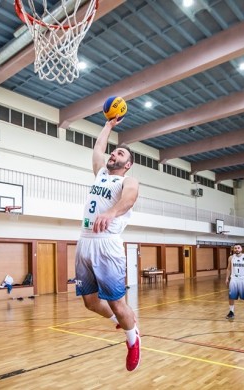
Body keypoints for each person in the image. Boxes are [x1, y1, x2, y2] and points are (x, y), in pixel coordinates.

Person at [74, 116, 141, 371]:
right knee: (90, 302)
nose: (114, 154)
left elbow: (130, 199)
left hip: (107, 244)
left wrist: (111, 213)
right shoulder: (101, 174)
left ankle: (133, 339)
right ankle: (121, 321)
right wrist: (109, 126)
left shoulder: (127, 181)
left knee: (116, 301)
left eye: (120, 153)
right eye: (114, 152)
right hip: (85, 242)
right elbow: (97, 150)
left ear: (128, 164)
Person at [225, 244, 244, 321]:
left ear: (241, 249)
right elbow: (228, 269)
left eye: (238, 248)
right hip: (234, 278)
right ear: (233, 249)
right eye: (235, 248)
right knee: (231, 296)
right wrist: (227, 278)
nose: (237, 249)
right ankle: (231, 312)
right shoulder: (231, 258)